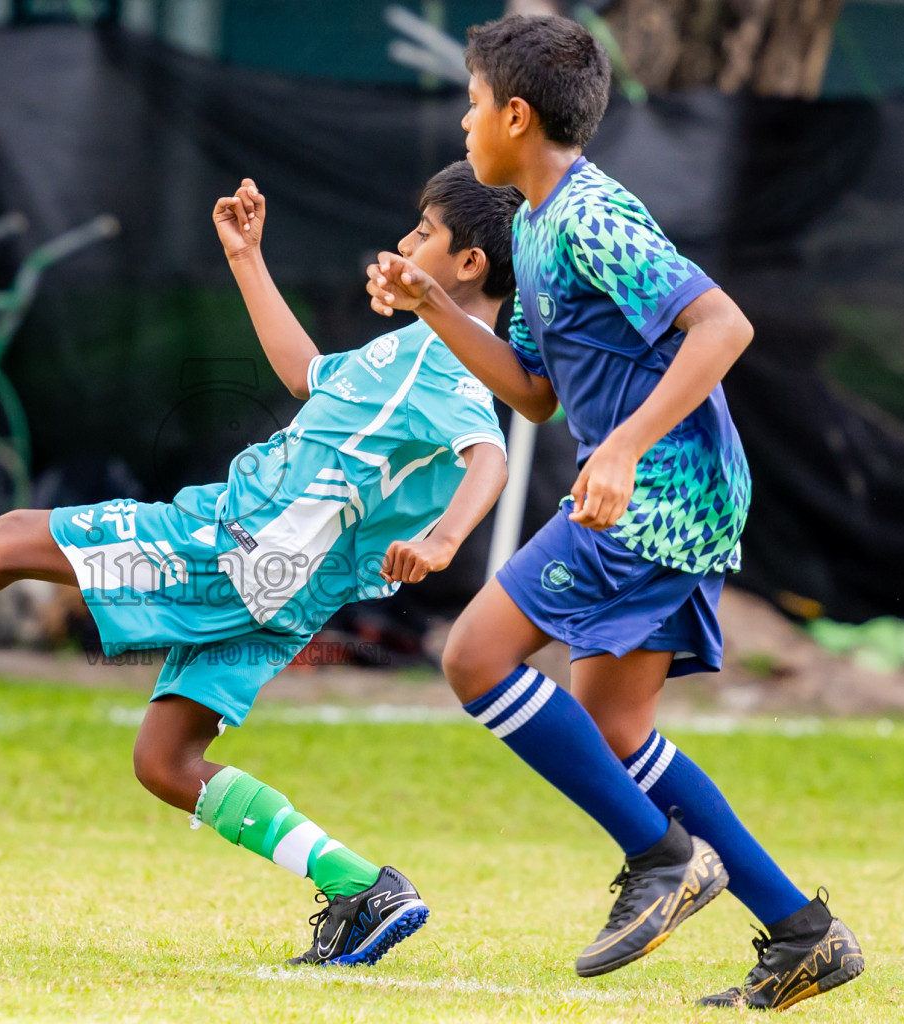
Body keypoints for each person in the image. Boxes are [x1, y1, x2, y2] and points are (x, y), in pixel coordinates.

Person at [0, 163, 520, 967]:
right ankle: (362, 887)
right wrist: (247, 259)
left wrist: (446, 540)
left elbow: (489, 453)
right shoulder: (413, 349)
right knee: (167, 763)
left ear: (469, 262)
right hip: (279, 588)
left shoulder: (450, 365)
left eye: (423, 232)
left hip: (234, 548)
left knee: (9, 540)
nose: (405, 243)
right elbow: (308, 378)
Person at [366, 15, 863, 1009]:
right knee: (615, 726)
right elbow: (535, 393)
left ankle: (662, 858)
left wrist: (627, 448)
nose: (465, 120)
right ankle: (803, 935)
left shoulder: (591, 216)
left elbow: (723, 325)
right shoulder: (535, 225)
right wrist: (435, 304)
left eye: (473, 101)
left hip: (662, 492)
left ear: (515, 114)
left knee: (474, 656)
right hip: (663, 491)